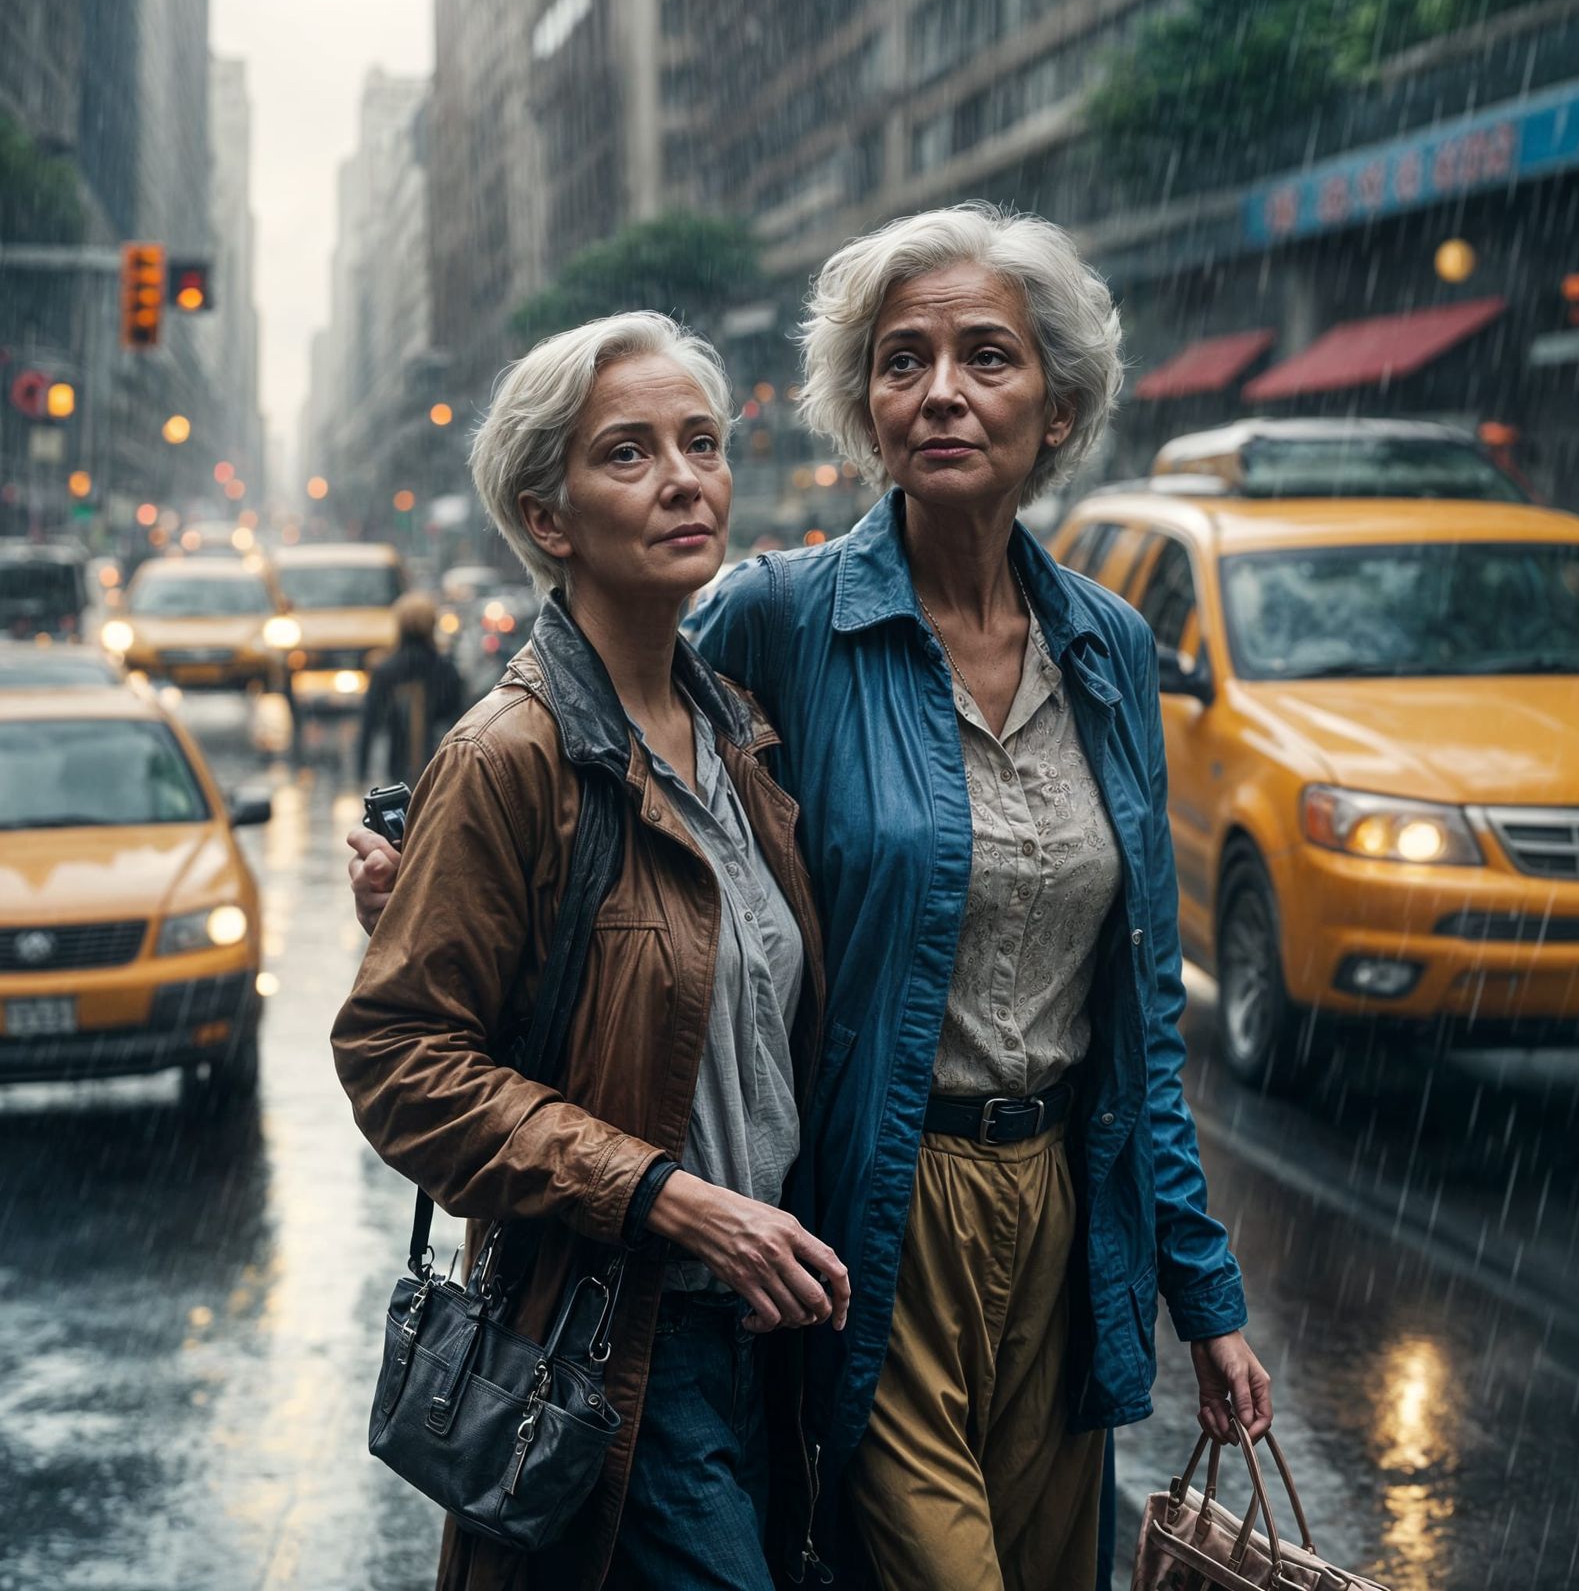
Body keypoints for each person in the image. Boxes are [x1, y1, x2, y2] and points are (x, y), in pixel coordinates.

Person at [350, 204, 1272, 1590]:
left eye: (986, 358)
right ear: (863, 406)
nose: (943, 392)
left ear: (1061, 407)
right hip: (867, 1207)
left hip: (1064, 1219)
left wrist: (1203, 1296)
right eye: (904, 361)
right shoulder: (777, 620)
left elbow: (1141, 1017)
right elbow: (585, 742)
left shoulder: (1109, 649)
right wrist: (440, 890)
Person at [332, 312, 849, 1591]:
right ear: (547, 517)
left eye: (702, 443)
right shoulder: (510, 755)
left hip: (768, 1334)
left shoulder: (738, 735)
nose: (685, 478)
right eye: (629, 453)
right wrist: (662, 1193)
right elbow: (396, 1059)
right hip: (617, 1343)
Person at [355, 590, 466, 790]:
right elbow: (459, 725)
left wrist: (361, 773)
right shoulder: (446, 670)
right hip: (438, 770)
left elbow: (369, 725)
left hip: (395, 770)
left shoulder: (385, 671)